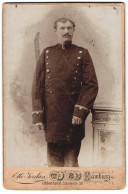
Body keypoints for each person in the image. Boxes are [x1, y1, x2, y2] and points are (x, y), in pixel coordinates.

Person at [32, 18, 98, 167]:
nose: (66, 31)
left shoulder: (82, 53)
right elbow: (37, 86)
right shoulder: (46, 53)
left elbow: (91, 85)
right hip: (52, 119)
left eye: (69, 28)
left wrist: (79, 112)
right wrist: (38, 115)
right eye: (62, 28)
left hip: (73, 119)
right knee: (53, 165)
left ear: (73, 30)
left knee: (71, 164)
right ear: (56, 31)